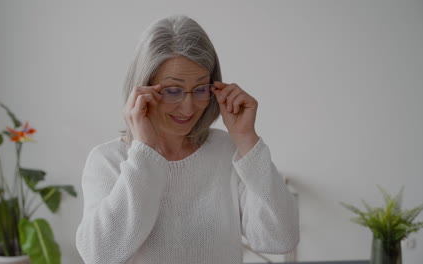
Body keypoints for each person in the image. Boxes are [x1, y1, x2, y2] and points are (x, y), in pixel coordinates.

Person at [76, 15, 299, 264]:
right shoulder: (108, 160)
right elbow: (99, 255)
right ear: (143, 89)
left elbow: (279, 239)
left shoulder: (227, 151)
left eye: (201, 89)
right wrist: (145, 153)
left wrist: (247, 140)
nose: (189, 106)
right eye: (173, 90)